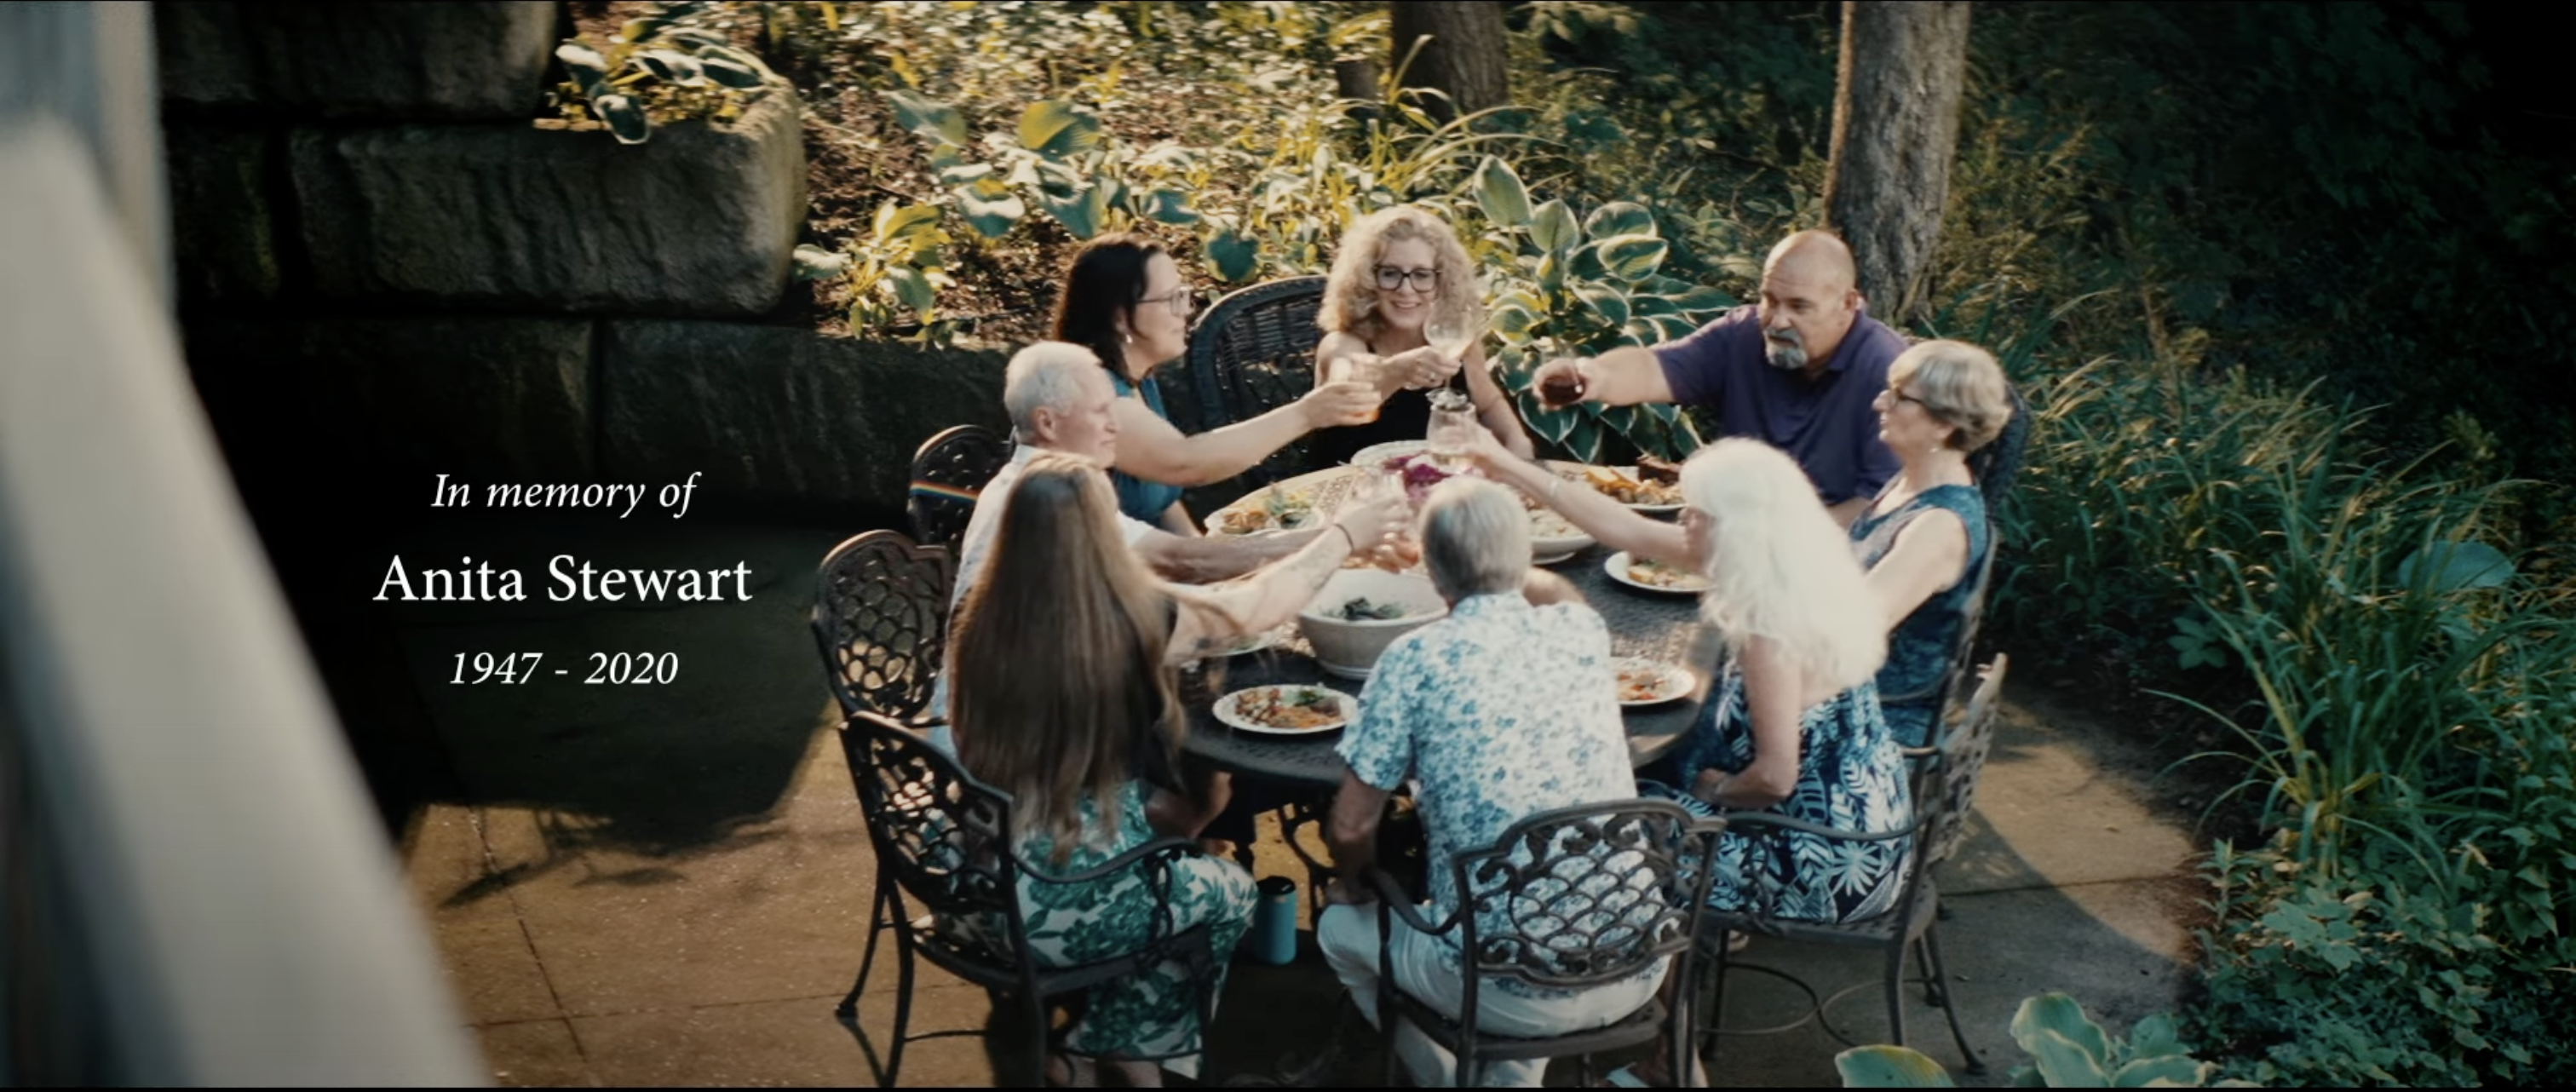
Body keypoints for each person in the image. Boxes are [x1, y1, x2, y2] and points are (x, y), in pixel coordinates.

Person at [946, 453, 1410, 1088]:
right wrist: (1345, 536)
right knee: (1226, 891)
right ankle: (1135, 1052)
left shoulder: (979, 614)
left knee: (1178, 817)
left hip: (966, 886)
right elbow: (1254, 607)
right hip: (1045, 906)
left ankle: (1094, 1049)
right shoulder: (1119, 621)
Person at [1317, 478, 1654, 1088]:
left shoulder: (1414, 658)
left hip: (1504, 990)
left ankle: (1453, 1081)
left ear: (1428, 570)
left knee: (1341, 929)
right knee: (1519, 908)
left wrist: (1354, 883)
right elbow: (1560, 593)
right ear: (1524, 559)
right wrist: (1514, 564)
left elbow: (1350, 823)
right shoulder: (1581, 633)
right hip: (1638, 961)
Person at [925, 342, 1340, 727]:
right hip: (1018, 748)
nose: (1115, 428)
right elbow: (1189, 563)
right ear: (1047, 422)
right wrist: (1338, 540)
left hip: (992, 728)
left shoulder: (1027, 481)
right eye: (1101, 412)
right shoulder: (1059, 503)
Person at [1529, 230, 1904, 527]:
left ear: (1848, 304)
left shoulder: (1887, 369)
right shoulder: (1741, 335)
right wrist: (1590, 375)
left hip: (1828, 558)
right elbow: (1653, 368)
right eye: (1769, 300)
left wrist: (1777, 539)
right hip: (1730, 539)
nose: (1776, 320)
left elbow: (1880, 506)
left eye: (1799, 307)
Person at [1054, 233, 1383, 530]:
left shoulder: (1140, 381)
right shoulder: (1091, 394)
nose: (1186, 311)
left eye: (1185, 296)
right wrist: (1309, 412)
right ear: (1119, 315)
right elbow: (1184, 463)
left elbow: (1162, 503)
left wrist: (1202, 559)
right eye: (1171, 299)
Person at [1852, 340, 2014, 747]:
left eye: (1899, 397)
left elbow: (1846, 633)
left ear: (1944, 424)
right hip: (1838, 692)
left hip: (1871, 725)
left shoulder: (1937, 526)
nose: (1879, 403)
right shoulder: (1913, 481)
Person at [1309, 205, 1536, 466]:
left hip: (1441, 493)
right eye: (1390, 273)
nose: (1406, 289)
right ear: (1367, 280)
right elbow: (1345, 395)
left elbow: (1488, 402)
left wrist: (1518, 441)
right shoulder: (1343, 344)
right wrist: (1395, 371)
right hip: (1352, 495)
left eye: (1421, 275)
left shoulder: (1455, 341)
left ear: (1442, 282)